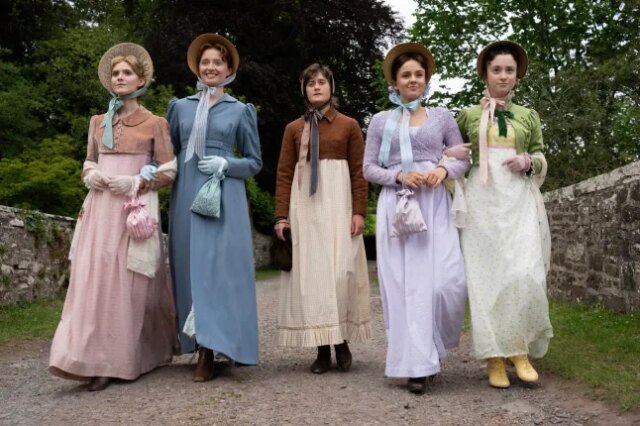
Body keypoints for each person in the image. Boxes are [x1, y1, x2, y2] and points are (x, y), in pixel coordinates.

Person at [49, 43, 177, 392]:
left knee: (126, 281)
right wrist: (90, 174)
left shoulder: (155, 123)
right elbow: (89, 161)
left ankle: (117, 359)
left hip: (132, 209)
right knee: (93, 278)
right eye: (116, 73)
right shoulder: (97, 121)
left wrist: (137, 182)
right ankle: (83, 357)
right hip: (99, 209)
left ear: (141, 80)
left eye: (127, 73)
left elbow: (169, 170)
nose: (120, 77)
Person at [362, 43, 469, 394]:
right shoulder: (380, 121)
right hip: (399, 207)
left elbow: (462, 158)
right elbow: (368, 168)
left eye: (418, 75)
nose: (412, 80)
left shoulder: (442, 117)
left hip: (435, 206)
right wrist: (399, 176)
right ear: (394, 81)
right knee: (406, 288)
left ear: (426, 79)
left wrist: (443, 169)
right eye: (406, 74)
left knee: (447, 283)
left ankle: (434, 345)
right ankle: (417, 365)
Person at [454, 40, 553, 388]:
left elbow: (541, 156)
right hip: (482, 204)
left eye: (509, 70)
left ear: (517, 76)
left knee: (524, 274)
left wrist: (529, 161)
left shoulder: (528, 116)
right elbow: (454, 157)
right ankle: (494, 356)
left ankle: (519, 349)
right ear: (485, 73)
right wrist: (450, 156)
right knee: (487, 280)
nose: (503, 76)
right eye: (496, 69)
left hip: (517, 203)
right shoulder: (468, 115)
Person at [167, 33, 262, 382]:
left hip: (224, 195)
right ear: (197, 66)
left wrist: (227, 164)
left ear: (228, 68)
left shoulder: (240, 110)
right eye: (205, 61)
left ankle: (217, 346)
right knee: (189, 267)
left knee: (222, 271)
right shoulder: (179, 107)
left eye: (217, 62)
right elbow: (169, 154)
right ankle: (197, 341)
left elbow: (254, 162)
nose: (210, 67)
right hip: (186, 192)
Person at [274, 63, 371, 374]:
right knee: (313, 277)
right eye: (310, 83)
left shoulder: (349, 126)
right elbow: (284, 173)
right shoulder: (293, 129)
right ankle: (321, 349)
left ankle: (341, 339)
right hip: (305, 207)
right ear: (304, 90)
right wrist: (281, 216)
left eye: (321, 82)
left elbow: (359, 172)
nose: (316, 87)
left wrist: (358, 211)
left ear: (331, 87)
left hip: (339, 205)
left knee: (341, 272)